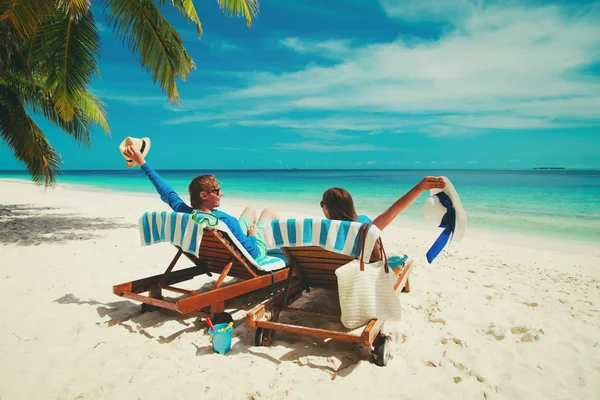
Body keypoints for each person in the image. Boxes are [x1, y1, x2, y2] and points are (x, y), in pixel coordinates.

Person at [123, 145, 278, 262]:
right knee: (269, 212)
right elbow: (250, 251)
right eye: (217, 191)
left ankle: (257, 230)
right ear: (203, 195)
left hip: (228, 242)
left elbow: (167, 192)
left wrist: (142, 163)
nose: (221, 194)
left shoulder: (188, 214)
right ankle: (279, 248)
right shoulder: (226, 221)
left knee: (250, 210)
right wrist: (251, 236)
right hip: (253, 250)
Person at [320, 177, 446, 230]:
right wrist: (419, 188)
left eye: (322, 204)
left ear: (328, 210)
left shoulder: (320, 230)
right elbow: (393, 212)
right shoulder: (363, 227)